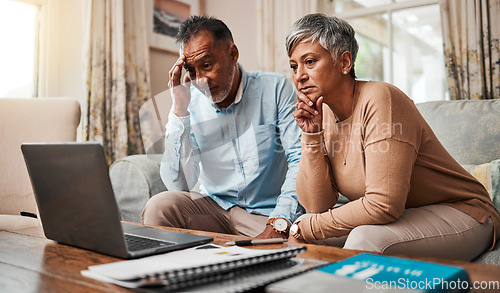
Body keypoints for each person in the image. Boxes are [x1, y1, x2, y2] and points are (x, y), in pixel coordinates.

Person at [285, 13, 500, 261]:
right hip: (408, 214)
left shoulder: (381, 99)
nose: (299, 75)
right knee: (305, 234)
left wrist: (307, 225)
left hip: (464, 212)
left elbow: (383, 205)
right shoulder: (323, 115)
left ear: (344, 62)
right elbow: (316, 205)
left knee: (363, 239)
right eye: (294, 66)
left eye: (309, 62)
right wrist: (311, 136)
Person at [142, 15, 303, 239]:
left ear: (233, 54)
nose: (200, 80)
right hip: (215, 210)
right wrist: (179, 110)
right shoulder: (189, 104)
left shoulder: (275, 89)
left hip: (266, 215)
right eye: (191, 70)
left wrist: (280, 221)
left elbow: (299, 159)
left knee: (298, 240)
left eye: (207, 65)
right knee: (160, 206)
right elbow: (178, 184)